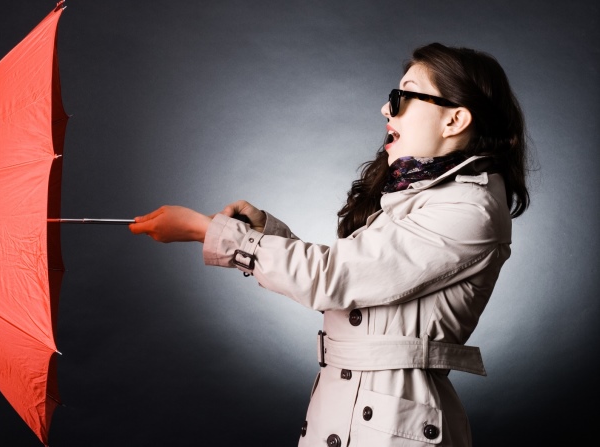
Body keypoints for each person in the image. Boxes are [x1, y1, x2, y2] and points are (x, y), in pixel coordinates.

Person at [129, 42, 530, 447]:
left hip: (396, 427)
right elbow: (353, 287)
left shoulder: (470, 207)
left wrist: (205, 230)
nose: (386, 109)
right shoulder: (417, 193)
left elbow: (334, 278)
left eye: (402, 96)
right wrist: (263, 232)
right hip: (347, 410)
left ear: (455, 119)